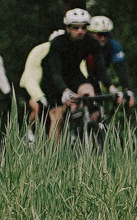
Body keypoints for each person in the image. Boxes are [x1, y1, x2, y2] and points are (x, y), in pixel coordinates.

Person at [41, 8, 103, 142]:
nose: (80, 31)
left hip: (73, 75)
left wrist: (113, 88)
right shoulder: (58, 42)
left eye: (83, 27)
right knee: (58, 118)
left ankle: (80, 128)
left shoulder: (91, 41)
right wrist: (64, 90)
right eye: (75, 27)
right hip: (53, 80)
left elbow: (101, 69)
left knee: (88, 91)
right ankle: (54, 151)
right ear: (68, 28)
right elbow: (55, 72)